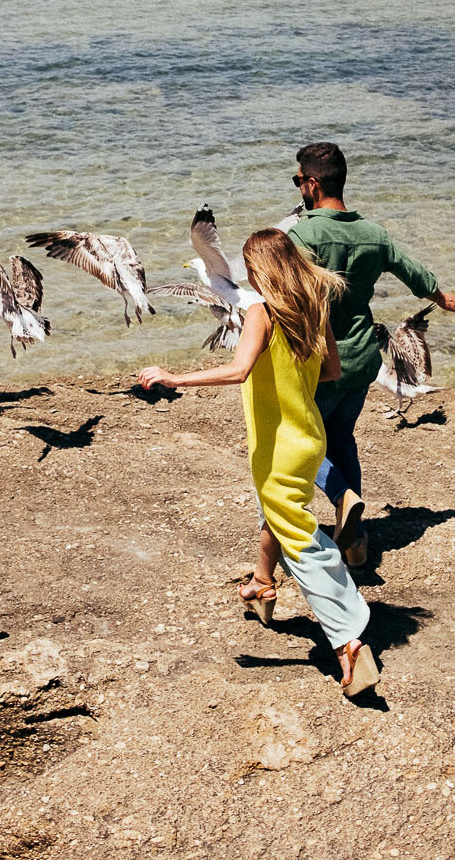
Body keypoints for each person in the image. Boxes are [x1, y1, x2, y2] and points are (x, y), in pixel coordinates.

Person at [137, 229, 379, 696]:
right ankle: (261, 585)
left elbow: (239, 369)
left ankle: (349, 642)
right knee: (282, 513)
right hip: (310, 435)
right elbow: (331, 371)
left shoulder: (261, 312)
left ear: (258, 271)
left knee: (304, 545)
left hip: (278, 444)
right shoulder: (314, 307)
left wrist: (174, 378)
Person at [286, 142, 455, 565]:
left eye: (297, 181)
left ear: (312, 184)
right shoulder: (374, 235)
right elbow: (412, 271)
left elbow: (284, 296)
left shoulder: (301, 234)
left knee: (303, 443)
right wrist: (441, 297)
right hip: (362, 357)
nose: (297, 188)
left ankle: (342, 498)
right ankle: (356, 541)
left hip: (320, 361)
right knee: (341, 437)